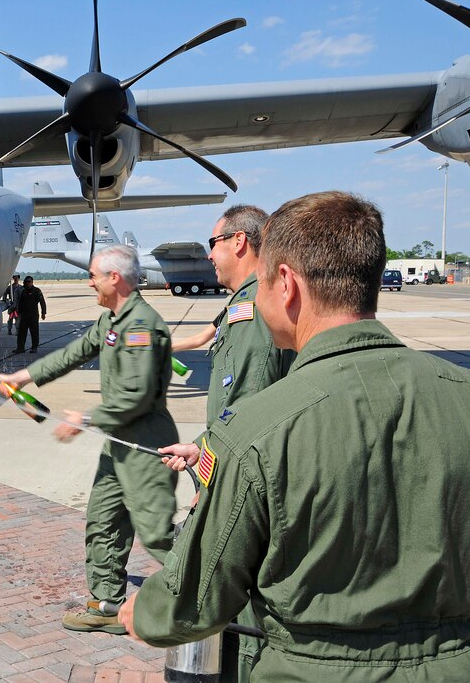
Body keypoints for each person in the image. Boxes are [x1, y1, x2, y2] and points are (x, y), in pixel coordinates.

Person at [119, 191, 470, 679]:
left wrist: (143, 613)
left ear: (287, 285)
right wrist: (449, 642)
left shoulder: (256, 431)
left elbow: (198, 596)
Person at [0, 245, 178, 634]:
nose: (88, 280)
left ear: (115, 278)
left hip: (145, 446)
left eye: (93, 274)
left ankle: (215, 599)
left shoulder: (142, 324)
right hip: (117, 444)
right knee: (103, 521)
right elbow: (74, 353)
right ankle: (107, 604)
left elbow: (139, 394)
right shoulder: (112, 319)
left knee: (157, 534)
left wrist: (87, 417)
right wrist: (22, 379)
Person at [164, 205, 294, 678]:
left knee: (243, 621)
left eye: (212, 245)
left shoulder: (250, 310)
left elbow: (245, 410)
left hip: (244, 489)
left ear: (239, 241)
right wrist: (201, 446)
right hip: (240, 469)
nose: (210, 257)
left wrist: (208, 472)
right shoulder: (243, 305)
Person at [14, 275, 46, 353]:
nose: (28, 283)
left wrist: (43, 313)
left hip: (33, 316)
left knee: (34, 332)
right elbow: (20, 303)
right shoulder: (23, 291)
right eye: (26, 282)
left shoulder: (37, 291)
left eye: (29, 282)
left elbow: (42, 302)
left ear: (32, 282)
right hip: (24, 316)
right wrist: (18, 313)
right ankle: (20, 348)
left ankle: (34, 347)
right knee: (21, 333)